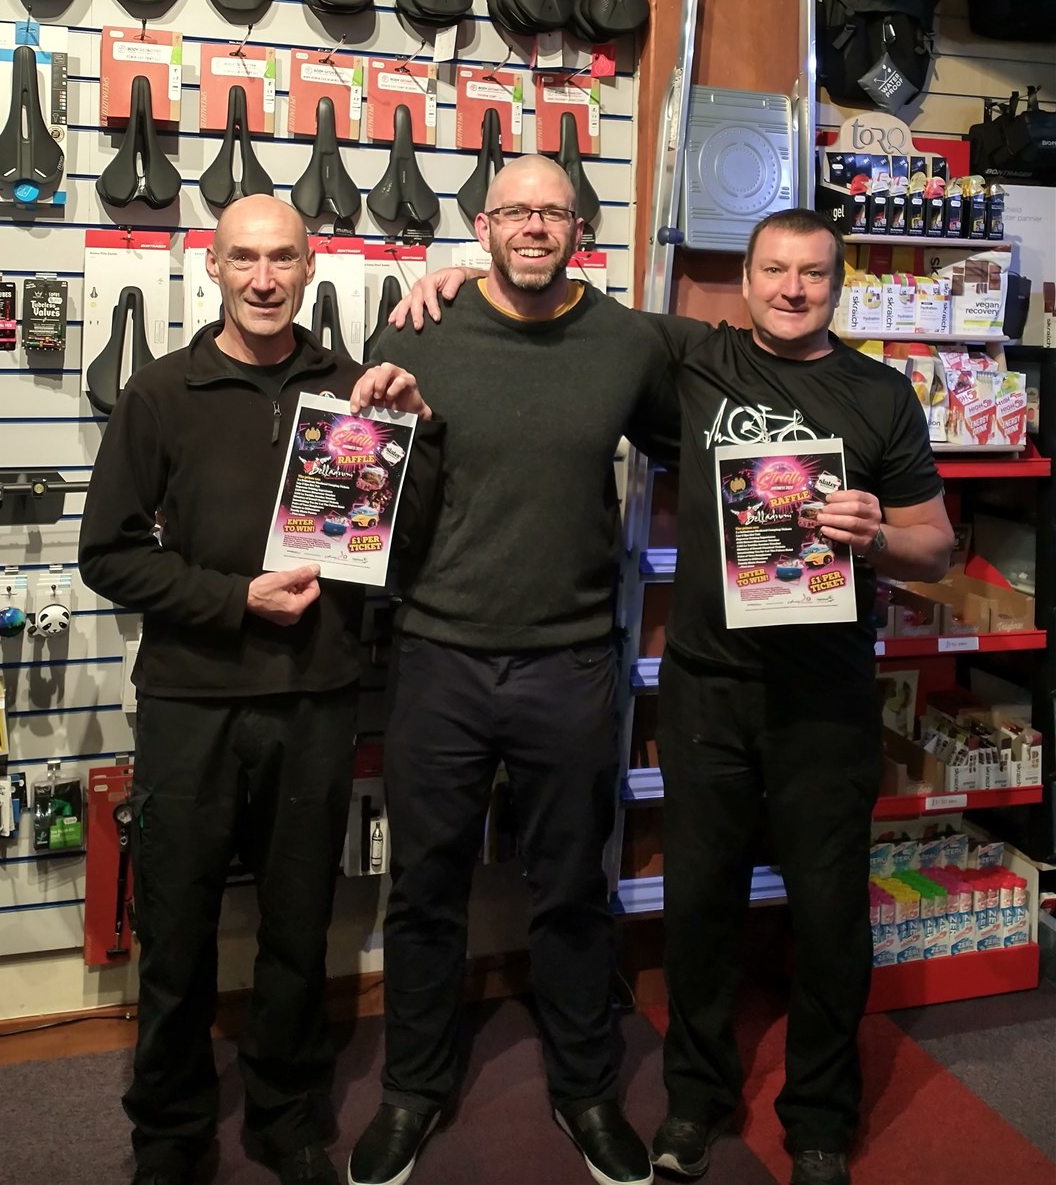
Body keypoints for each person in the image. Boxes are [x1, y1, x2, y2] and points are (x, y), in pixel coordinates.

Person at [390, 207, 954, 1185]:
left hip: (826, 700)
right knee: (698, 909)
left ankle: (821, 1114)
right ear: (746, 277)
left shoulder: (880, 393)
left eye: (813, 274)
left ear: (838, 283)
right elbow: (541, 291)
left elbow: (937, 544)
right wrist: (439, 277)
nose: (791, 289)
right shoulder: (689, 354)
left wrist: (879, 533)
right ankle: (695, 1102)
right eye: (774, 270)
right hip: (707, 687)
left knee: (829, 916)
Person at [78, 196, 435, 1185]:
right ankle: (170, 1129)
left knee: (296, 921)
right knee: (178, 928)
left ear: (311, 263)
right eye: (246, 258)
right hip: (192, 700)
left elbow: (394, 545)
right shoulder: (161, 391)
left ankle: (287, 1115)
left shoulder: (352, 390)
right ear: (214, 266)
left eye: (283, 257)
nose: (266, 277)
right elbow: (106, 554)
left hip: (316, 694)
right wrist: (236, 597)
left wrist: (414, 434)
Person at [346, 155, 679, 1185]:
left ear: (579, 225)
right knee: (426, 887)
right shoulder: (416, 328)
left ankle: (585, 1089)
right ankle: (413, 1088)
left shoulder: (628, 340)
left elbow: (702, 449)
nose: (535, 225)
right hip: (437, 652)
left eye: (554, 210)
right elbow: (360, 466)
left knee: (574, 887)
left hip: (572, 658)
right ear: (482, 225)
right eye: (516, 210)